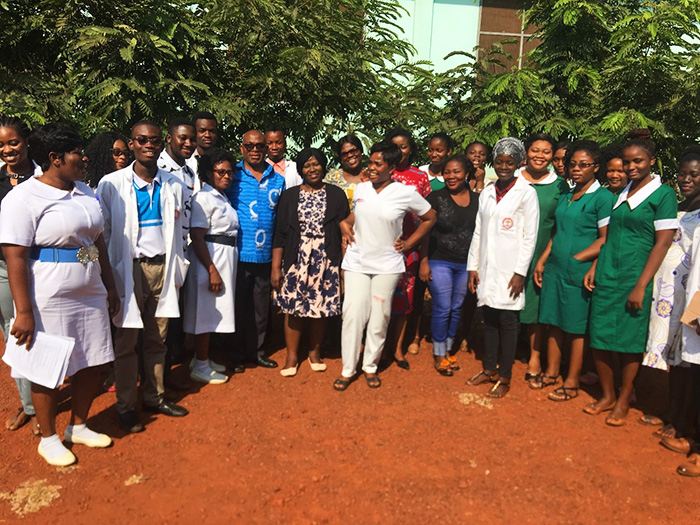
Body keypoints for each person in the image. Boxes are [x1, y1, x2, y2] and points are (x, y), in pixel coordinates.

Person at [0, 123, 119, 466]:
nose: (83, 157)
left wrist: (108, 285)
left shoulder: (85, 191)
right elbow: (15, 256)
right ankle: (49, 436)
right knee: (47, 367)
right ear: (53, 158)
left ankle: (78, 425)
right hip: (48, 292)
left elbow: (96, 242)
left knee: (93, 361)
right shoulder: (22, 198)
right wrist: (23, 312)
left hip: (89, 285)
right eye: (75, 153)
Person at [97, 120, 190, 434]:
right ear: (132, 144)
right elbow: (104, 231)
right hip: (129, 269)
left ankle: (154, 396)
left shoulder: (174, 184)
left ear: (161, 144)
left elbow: (179, 231)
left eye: (153, 140)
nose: (148, 145)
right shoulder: (110, 184)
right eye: (141, 140)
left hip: (163, 268)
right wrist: (109, 275)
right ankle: (125, 406)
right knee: (126, 342)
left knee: (157, 339)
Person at [586, 129, 678, 426]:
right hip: (608, 271)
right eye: (626, 163)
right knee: (599, 335)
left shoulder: (663, 195)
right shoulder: (621, 192)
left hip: (636, 275)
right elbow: (609, 235)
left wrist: (641, 285)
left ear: (651, 160)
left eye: (637, 161)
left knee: (628, 340)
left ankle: (625, 398)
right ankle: (608, 394)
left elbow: (662, 242)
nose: (631, 167)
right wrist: (594, 266)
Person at [335, 140, 436, 391]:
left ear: (391, 167)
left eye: (377, 164)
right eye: (370, 162)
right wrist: (344, 223)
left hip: (387, 265)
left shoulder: (405, 192)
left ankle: (370, 366)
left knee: (380, 318)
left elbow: (430, 217)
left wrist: (410, 243)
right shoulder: (361, 189)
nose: (370, 167)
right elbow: (355, 215)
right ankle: (348, 369)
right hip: (357, 261)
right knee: (352, 315)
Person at [534, 140, 614, 400]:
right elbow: (557, 232)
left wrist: (579, 258)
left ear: (596, 167)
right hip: (556, 267)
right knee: (553, 320)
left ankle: (571, 381)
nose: (576, 169)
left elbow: (605, 239)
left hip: (579, 271)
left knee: (575, 326)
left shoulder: (603, 198)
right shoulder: (567, 194)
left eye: (583, 165)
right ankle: (551, 371)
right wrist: (544, 259)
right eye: (572, 165)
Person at [467, 137, 539, 398]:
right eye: (499, 162)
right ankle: (489, 368)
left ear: (519, 163)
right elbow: (479, 231)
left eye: (510, 162)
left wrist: (520, 272)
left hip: (511, 269)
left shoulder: (527, 193)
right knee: (489, 318)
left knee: (508, 321)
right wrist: (473, 266)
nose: (504, 166)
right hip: (487, 267)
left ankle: (505, 376)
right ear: (493, 163)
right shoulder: (487, 192)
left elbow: (530, 236)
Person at [271, 148, 350, 376]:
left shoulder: (336, 194)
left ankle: (314, 353)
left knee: (321, 306)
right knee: (293, 309)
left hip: (326, 258)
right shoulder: (290, 195)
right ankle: (292, 356)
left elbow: (345, 232)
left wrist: (343, 265)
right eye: (307, 165)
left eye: (316, 164)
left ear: (323, 166)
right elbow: (281, 234)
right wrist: (276, 267)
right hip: (297, 257)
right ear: (300, 169)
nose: (312, 169)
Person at [643, 146, 700, 450]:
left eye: (694, 174)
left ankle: (682, 424)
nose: (686, 179)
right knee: (675, 363)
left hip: (691, 300)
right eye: (682, 173)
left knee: (689, 365)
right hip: (668, 296)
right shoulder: (677, 208)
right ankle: (673, 414)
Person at [225, 130, 285, 369]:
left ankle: (258, 351)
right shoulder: (233, 177)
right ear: (242, 149)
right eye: (250, 146)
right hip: (238, 254)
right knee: (239, 307)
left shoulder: (278, 179)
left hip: (265, 254)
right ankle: (236, 354)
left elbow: (279, 218)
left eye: (260, 146)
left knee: (262, 308)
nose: (255, 150)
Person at [0, 115, 42, 436]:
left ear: (26, 141)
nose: (8, 149)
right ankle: (30, 406)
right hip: (3, 269)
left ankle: (46, 398)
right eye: (1, 145)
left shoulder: (45, 178)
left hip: (38, 264)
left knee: (44, 327)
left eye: (13, 142)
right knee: (13, 330)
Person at [183, 148, 239, 385]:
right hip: (211, 259)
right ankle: (201, 365)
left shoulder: (221, 197)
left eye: (229, 172)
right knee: (204, 313)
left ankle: (200, 359)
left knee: (215, 311)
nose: (226, 176)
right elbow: (197, 236)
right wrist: (211, 269)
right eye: (220, 172)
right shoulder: (202, 198)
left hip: (225, 257)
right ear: (208, 173)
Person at [519, 133, 570, 388]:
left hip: (542, 254)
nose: (540, 155)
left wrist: (545, 256)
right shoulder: (512, 179)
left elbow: (560, 224)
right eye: (535, 150)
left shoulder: (561, 186)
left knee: (536, 308)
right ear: (526, 152)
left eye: (546, 152)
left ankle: (534, 359)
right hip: (510, 253)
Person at [419, 154, 478, 376]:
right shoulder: (435, 198)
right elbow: (425, 231)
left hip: (466, 263)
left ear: (466, 174)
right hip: (439, 259)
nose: (451, 176)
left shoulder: (479, 200)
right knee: (443, 306)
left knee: (457, 306)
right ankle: (439, 352)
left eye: (456, 172)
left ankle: (448, 348)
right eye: (447, 172)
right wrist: (424, 261)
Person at [385, 127, 431, 365]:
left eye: (404, 146)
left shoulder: (419, 177)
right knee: (381, 300)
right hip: (382, 248)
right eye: (394, 147)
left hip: (408, 250)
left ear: (411, 148)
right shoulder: (380, 174)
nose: (400, 151)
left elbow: (427, 217)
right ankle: (380, 348)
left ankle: (398, 348)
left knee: (405, 300)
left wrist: (416, 249)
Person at [324, 134, 368, 210]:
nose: (350, 155)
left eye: (353, 151)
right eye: (344, 154)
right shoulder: (333, 177)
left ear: (361, 151)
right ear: (341, 158)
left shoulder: (372, 175)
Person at [186, 111, 219, 177]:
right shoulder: (185, 161)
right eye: (202, 131)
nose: (207, 135)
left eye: (212, 131)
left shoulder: (223, 162)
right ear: (194, 132)